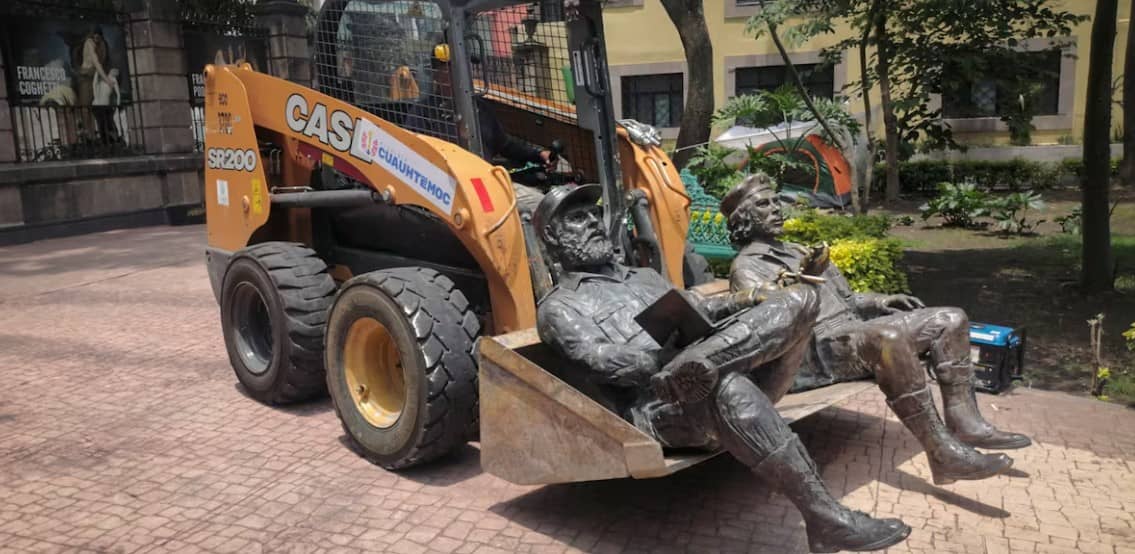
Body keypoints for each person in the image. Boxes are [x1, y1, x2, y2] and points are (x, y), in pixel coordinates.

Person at [534, 184, 911, 553]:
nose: (593, 222)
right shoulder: (560, 306)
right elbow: (597, 358)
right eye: (577, 218)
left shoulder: (643, 277)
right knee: (727, 387)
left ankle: (704, 363)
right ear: (552, 237)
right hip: (659, 405)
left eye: (594, 214)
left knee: (801, 297)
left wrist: (753, 297)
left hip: (707, 368)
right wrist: (665, 363)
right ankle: (828, 519)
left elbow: (702, 308)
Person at [723, 173, 1030, 486]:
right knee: (888, 340)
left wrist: (882, 300)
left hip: (851, 331)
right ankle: (942, 453)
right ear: (745, 219)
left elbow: (847, 298)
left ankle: (966, 422)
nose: (776, 208)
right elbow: (776, 321)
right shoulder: (747, 267)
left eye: (776, 201)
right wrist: (806, 280)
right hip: (814, 351)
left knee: (951, 319)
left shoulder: (798, 250)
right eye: (763, 205)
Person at [403, 44, 556, 212]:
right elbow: (413, 156)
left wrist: (538, 154)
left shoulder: (480, 108)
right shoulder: (423, 113)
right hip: (450, 192)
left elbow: (505, 145)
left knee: (543, 206)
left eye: (464, 68)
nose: (463, 74)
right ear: (437, 74)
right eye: (452, 68)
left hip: (487, 184)